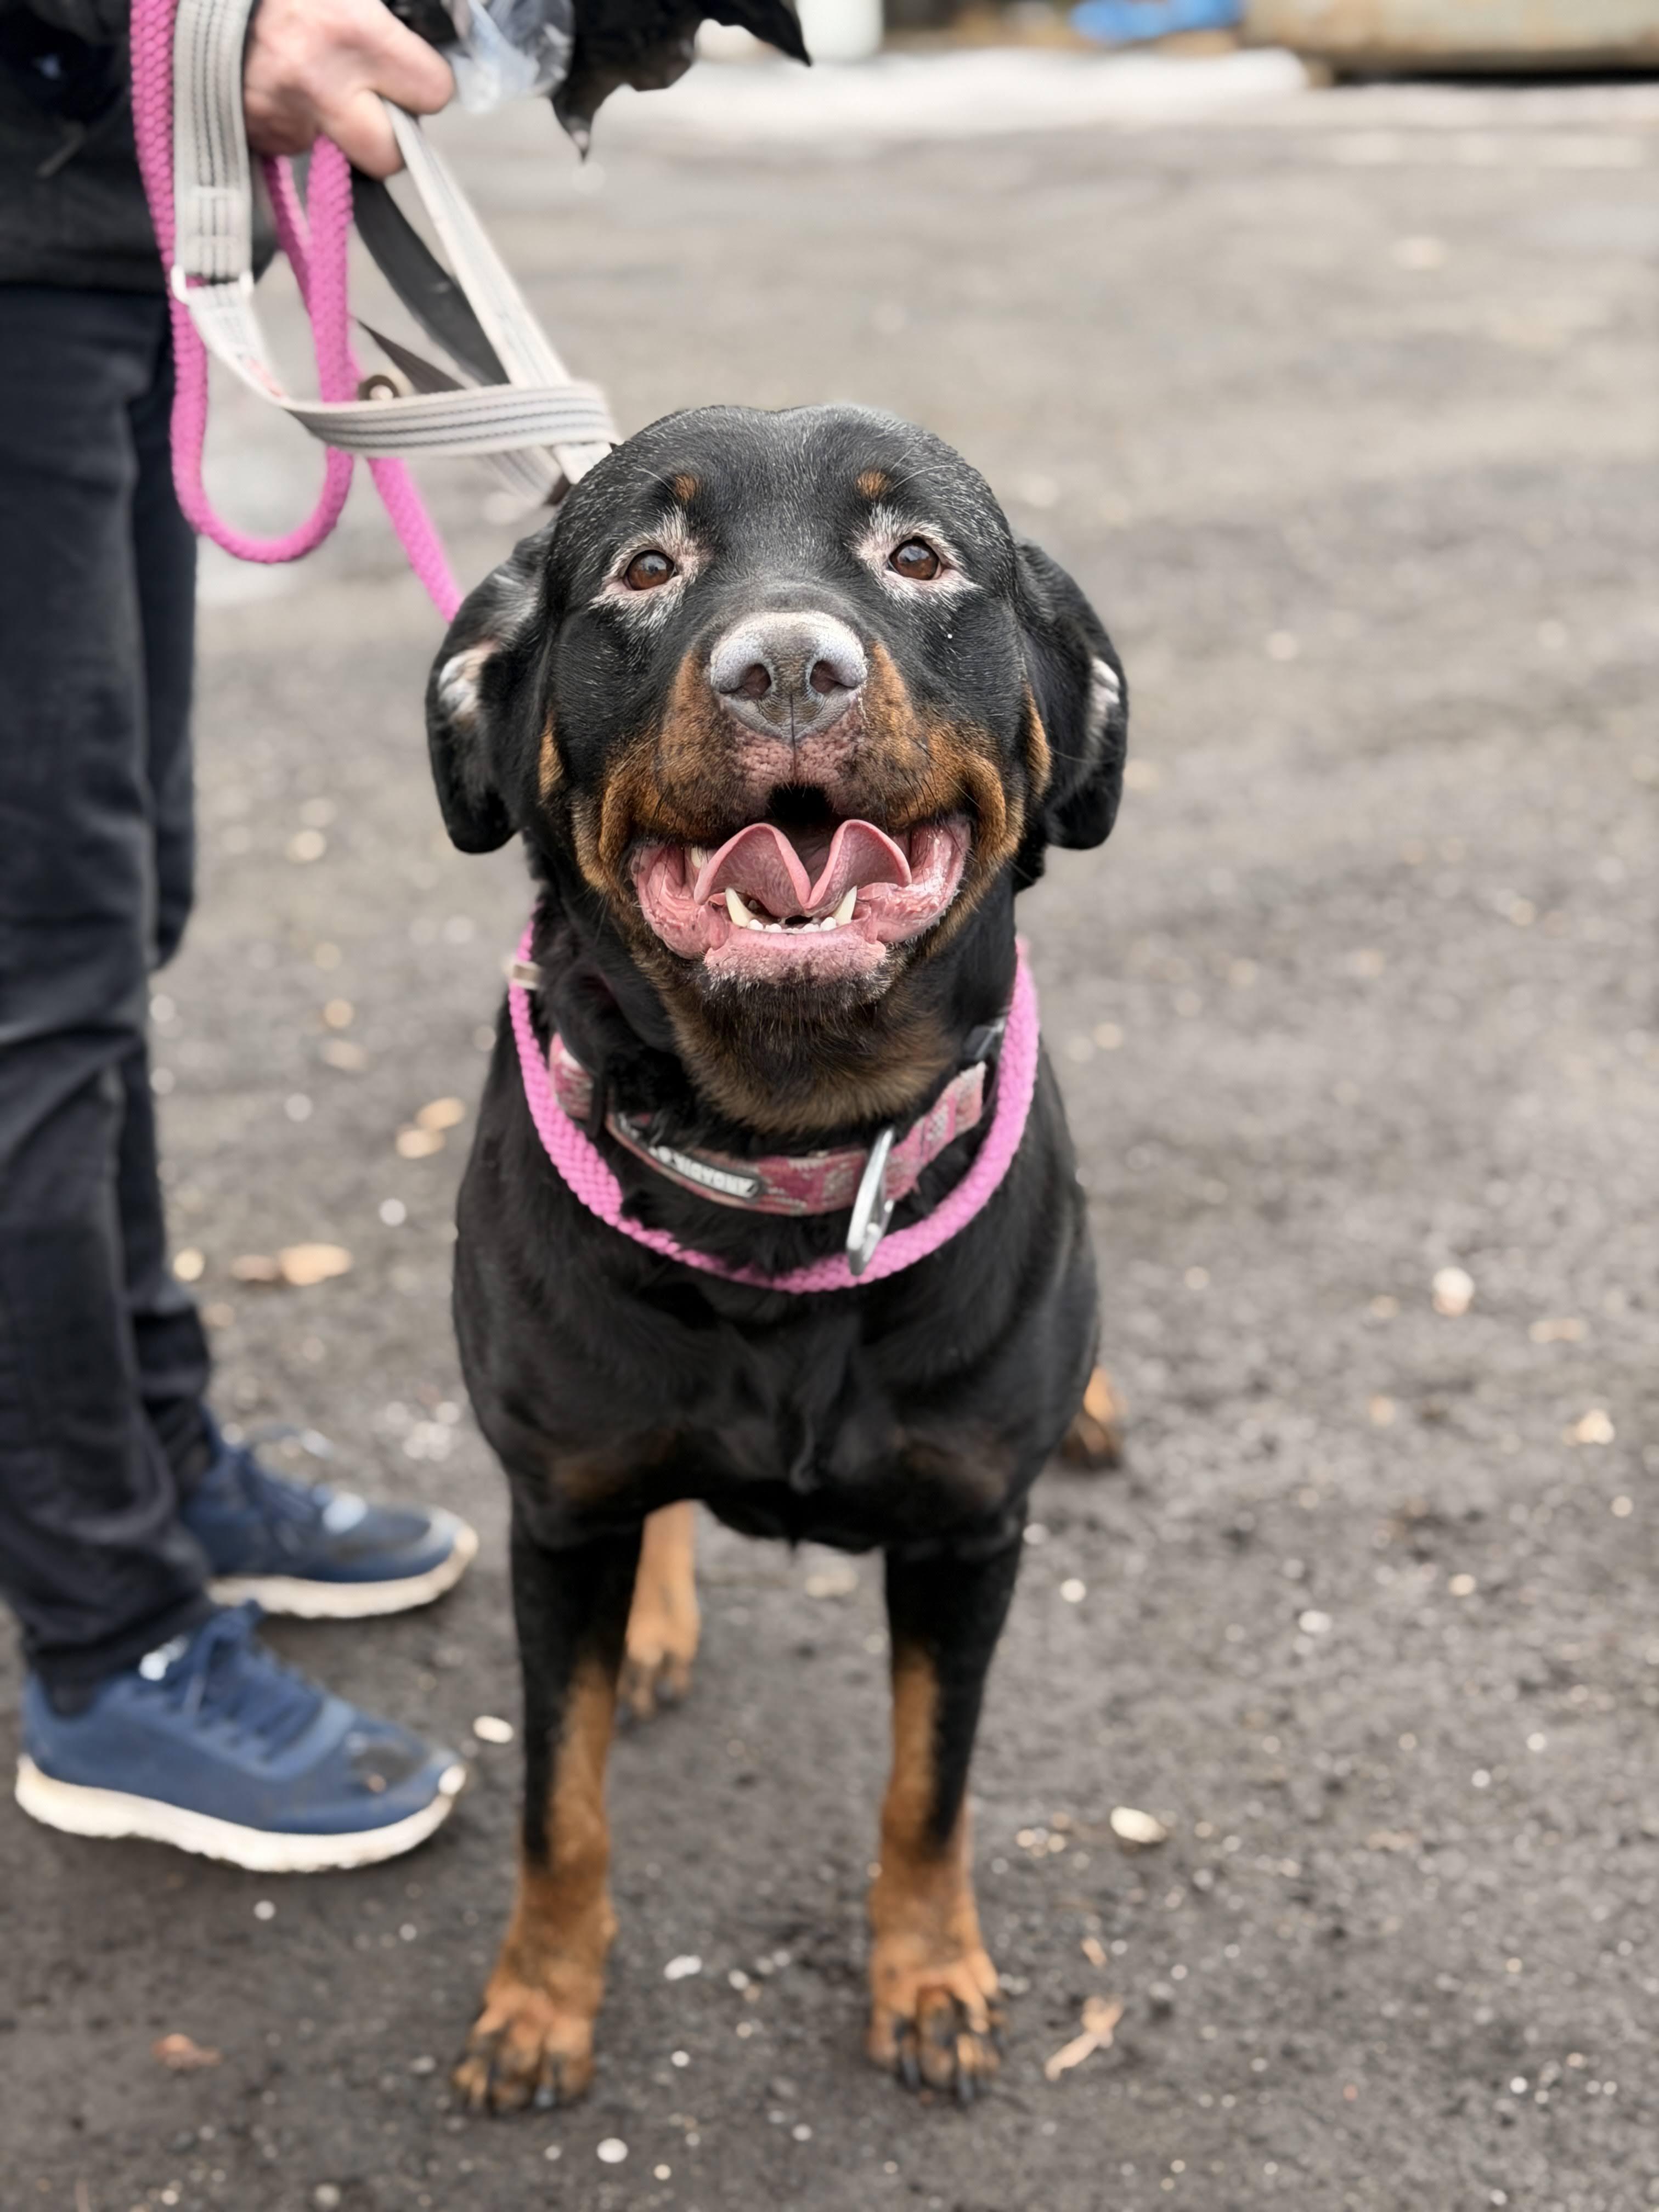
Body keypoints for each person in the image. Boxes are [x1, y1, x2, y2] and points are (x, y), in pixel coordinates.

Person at [0, 0, 476, 1870]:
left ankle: (159, 1458)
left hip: (110, 228)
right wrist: (217, 18)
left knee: (116, 912)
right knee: (34, 970)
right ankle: (107, 1643)